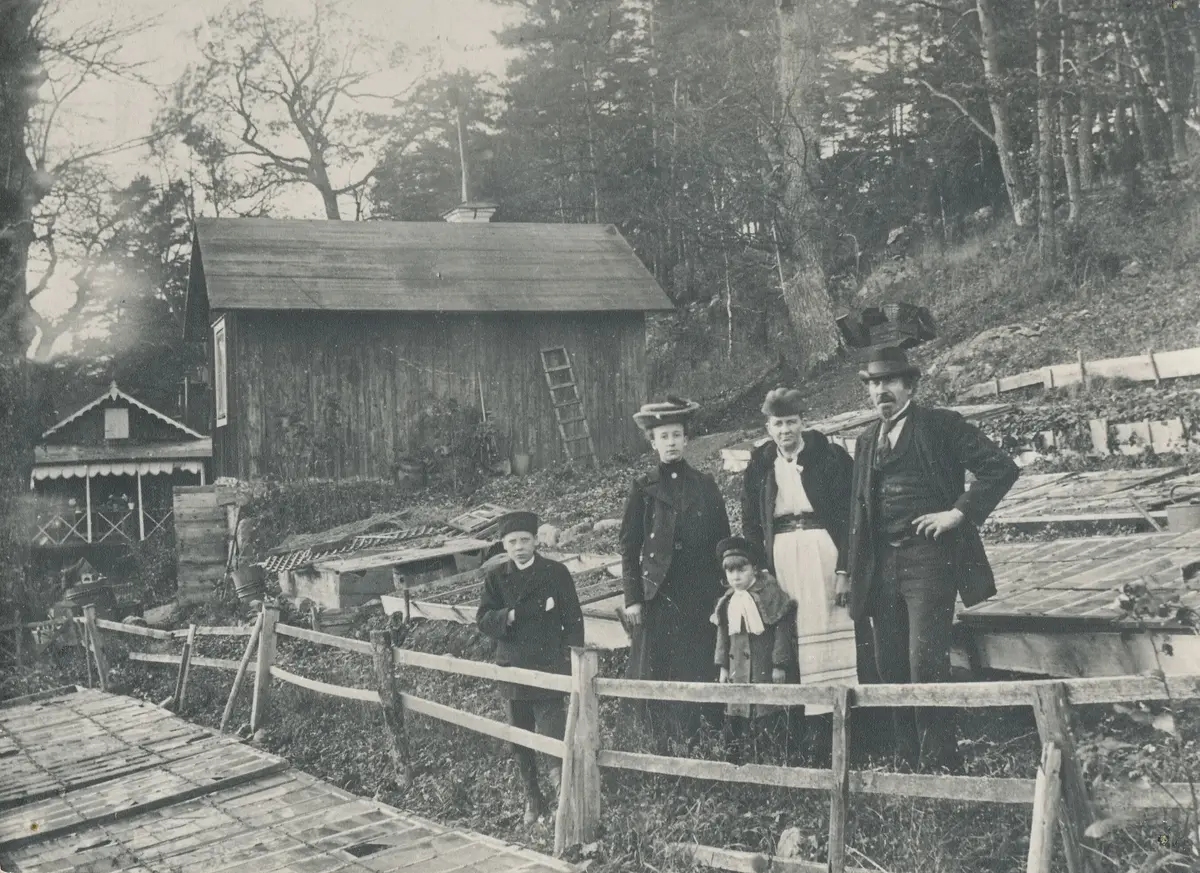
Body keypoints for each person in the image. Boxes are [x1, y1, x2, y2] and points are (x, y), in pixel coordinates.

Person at [843, 346, 1019, 773]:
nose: (880, 391)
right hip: (883, 565)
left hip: (929, 562)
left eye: (889, 382)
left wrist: (957, 513)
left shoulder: (942, 425)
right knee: (890, 664)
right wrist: (852, 569)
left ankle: (941, 761)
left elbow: (1000, 467)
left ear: (909, 385)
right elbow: (858, 512)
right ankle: (908, 758)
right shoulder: (867, 441)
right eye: (873, 383)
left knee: (925, 661)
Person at [740, 386, 867, 756]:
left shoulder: (828, 457)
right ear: (768, 428)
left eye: (791, 422)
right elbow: (750, 521)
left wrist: (845, 568)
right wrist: (760, 569)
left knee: (828, 629)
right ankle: (798, 733)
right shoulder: (761, 465)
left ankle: (837, 726)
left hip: (822, 553)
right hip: (780, 555)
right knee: (788, 633)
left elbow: (849, 517)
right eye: (778, 424)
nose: (785, 431)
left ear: (802, 423)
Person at [619, 397, 732, 746]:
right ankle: (662, 741)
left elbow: (723, 540)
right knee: (659, 664)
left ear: (686, 440)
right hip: (660, 593)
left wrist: (727, 590)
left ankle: (702, 735)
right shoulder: (644, 489)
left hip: (700, 590)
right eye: (663, 436)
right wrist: (634, 599)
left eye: (677, 435)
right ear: (652, 442)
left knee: (698, 660)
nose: (671, 443)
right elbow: (629, 545)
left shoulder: (705, 485)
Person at [476, 509, 585, 825]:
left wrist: (571, 660)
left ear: (536, 541)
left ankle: (565, 802)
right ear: (504, 545)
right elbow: (482, 618)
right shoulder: (496, 578)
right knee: (520, 736)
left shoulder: (555, 573)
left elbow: (573, 619)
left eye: (525, 539)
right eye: (512, 541)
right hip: (513, 667)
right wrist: (507, 617)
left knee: (553, 734)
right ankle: (533, 800)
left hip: (549, 665)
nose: (519, 546)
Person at [710, 536, 798, 764]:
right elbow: (723, 634)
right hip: (738, 669)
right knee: (737, 711)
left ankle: (773, 762)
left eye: (741, 569)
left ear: (754, 568)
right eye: (730, 571)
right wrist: (722, 667)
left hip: (763, 666)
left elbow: (782, 629)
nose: (735, 577)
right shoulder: (728, 601)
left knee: (767, 711)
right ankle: (737, 766)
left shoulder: (769, 593)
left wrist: (779, 664)